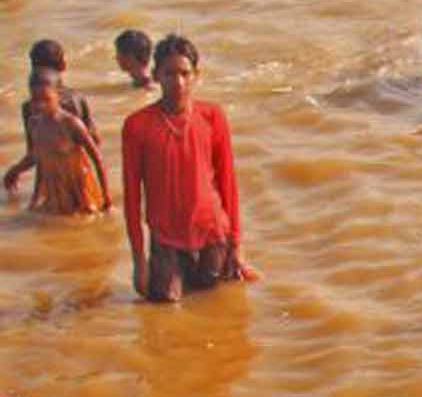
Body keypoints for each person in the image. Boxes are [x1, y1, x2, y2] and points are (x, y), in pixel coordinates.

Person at [122, 35, 255, 302]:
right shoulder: (137, 126)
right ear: (157, 75)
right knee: (163, 308)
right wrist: (139, 261)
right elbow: (132, 197)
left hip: (212, 234)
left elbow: (227, 181)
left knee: (219, 309)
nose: (178, 82)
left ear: (196, 75)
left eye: (185, 73)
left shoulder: (212, 116)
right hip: (166, 240)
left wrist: (237, 245)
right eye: (169, 73)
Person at [5, 61, 110, 215]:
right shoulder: (34, 123)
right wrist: (15, 171)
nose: (40, 105)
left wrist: (107, 198)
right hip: (56, 193)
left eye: (45, 99)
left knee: (85, 222)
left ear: (58, 95)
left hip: (79, 192)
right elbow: (37, 156)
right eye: (35, 100)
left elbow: (97, 158)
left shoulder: (71, 124)